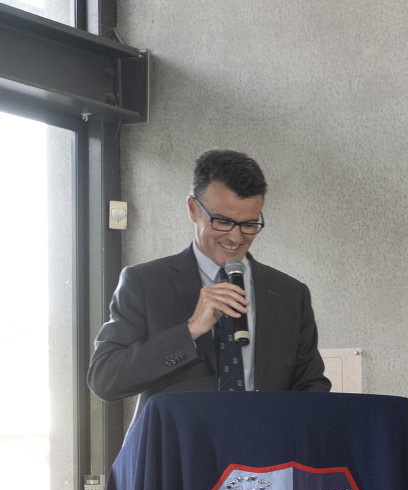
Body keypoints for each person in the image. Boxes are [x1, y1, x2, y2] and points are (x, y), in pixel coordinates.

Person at [88, 149, 328, 407]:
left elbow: (311, 385)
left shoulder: (291, 294)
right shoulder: (145, 283)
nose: (235, 238)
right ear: (193, 209)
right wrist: (190, 330)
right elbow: (104, 379)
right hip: (180, 435)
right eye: (222, 221)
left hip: (264, 434)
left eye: (249, 224)